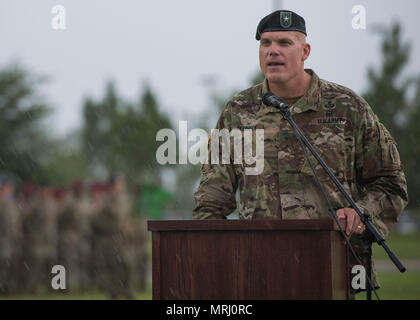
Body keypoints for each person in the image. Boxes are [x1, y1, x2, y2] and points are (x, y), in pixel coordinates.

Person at [192, 10, 408, 292]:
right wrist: (214, 260)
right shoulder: (238, 112)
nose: (272, 51)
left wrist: (362, 214)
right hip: (259, 273)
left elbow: (391, 184)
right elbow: (211, 201)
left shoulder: (347, 107)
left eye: (283, 43)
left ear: (305, 51)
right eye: (265, 43)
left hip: (335, 269)